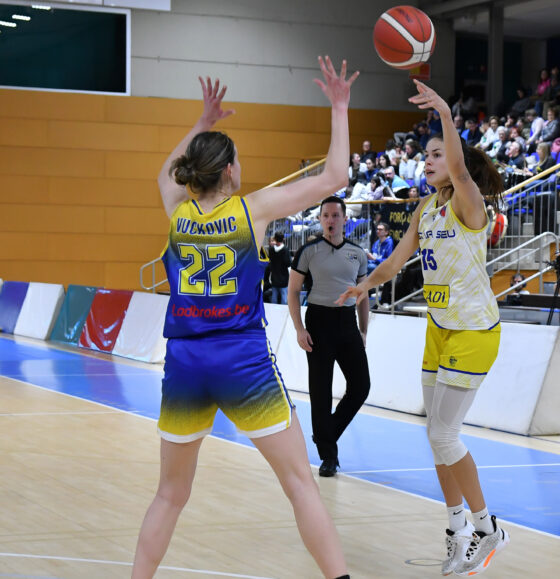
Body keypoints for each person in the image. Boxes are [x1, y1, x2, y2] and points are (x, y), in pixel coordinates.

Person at [134, 58, 357, 579]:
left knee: (170, 495)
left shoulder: (176, 210)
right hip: (242, 360)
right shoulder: (252, 210)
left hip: (186, 362)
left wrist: (201, 123)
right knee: (300, 484)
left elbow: (163, 173)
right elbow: (335, 176)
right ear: (230, 171)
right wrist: (340, 107)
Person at [338, 79, 509, 577]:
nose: (428, 160)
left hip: (474, 330)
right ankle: (456, 529)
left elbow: (458, 165)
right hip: (439, 328)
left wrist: (445, 114)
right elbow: (397, 259)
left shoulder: (468, 202)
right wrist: (366, 284)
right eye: (426, 155)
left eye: (436, 154)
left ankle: (486, 526)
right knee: (434, 435)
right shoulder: (426, 207)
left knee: (445, 432)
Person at [288, 196, 371, 478]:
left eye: (336, 215)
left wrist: (363, 330)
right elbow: (292, 291)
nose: (331, 220)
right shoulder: (308, 251)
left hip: (346, 322)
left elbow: (363, 295)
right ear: (320, 219)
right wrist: (300, 328)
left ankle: (326, 434)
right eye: (326, 216)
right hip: (318, 321)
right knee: (320, 391)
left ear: (345, 219)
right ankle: (329, 457)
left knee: (361, 386)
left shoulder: (357, 253)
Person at [264, 232, 291, 304]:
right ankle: (283, 312)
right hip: (283, 277)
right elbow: (288, 263)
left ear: (275, 239)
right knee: (284, 296)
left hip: (274, 276)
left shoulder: (271, 249)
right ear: (283, 239)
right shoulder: (285, 249)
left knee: (274, 295)